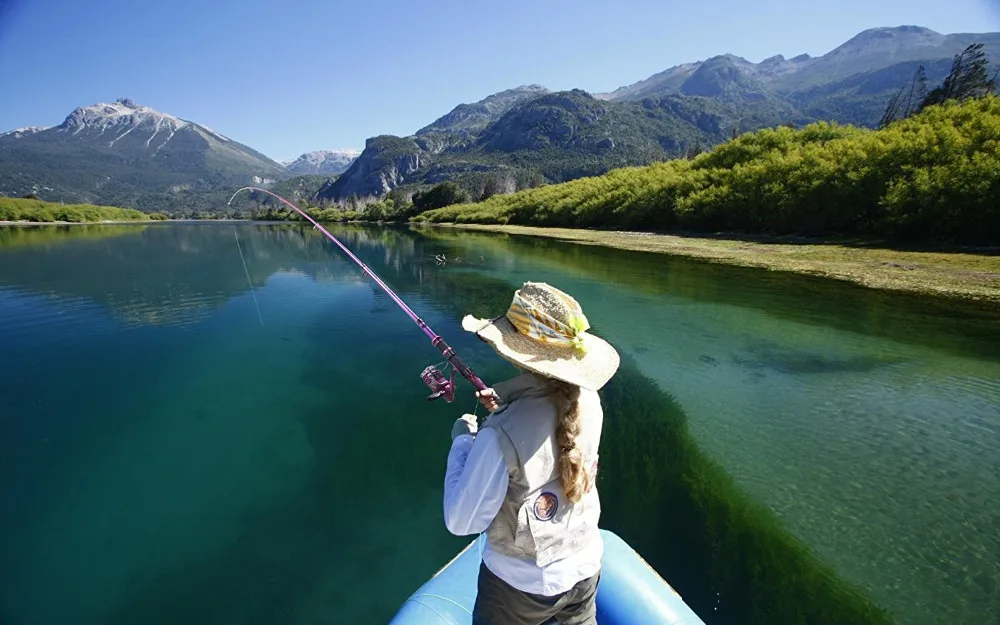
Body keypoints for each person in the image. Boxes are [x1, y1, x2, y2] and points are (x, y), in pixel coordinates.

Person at [443, 281, 621, 625]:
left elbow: (461, 522)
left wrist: (463, 441)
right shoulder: (591, 401)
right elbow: (549, 437)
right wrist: (508, 406)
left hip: (518, 589)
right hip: (585, 571)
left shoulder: (498, 436)